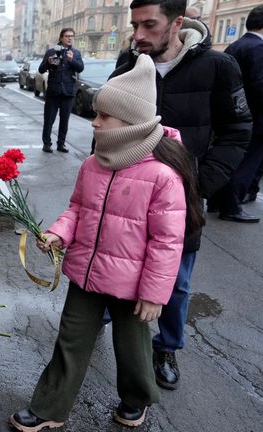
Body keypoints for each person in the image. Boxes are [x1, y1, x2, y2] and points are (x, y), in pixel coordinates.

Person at [10, 54, 204, 431]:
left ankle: (137, 398)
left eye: (103, 117)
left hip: (133, 286)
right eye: (96, 115)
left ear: (130, 123)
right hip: (86, 273)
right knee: (70, 340)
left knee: (133, 350)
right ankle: (50, 406)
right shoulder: (93, 164)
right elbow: (77, 210)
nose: (95, 122)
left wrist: (154, 293)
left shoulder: (162, 176)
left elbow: (168, 242)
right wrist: (58, 232)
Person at [110, 0, 252, 391]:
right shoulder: (127, 67)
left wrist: (198, 184)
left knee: (175, 283)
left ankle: (167, 347)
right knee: (117, 265)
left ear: (176, 23)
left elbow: (238, 130)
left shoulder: (218, 67)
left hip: (184, 202)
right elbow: (107, 129)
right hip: (127, 197)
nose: (138, 35)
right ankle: (109, 321)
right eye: (134, 25)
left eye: (149, 25)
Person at [208, 6, 263, 222]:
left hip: (228, 116)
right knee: (246, 163)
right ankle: (231, 207)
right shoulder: (258, 49)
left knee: (228, 159)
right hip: (254, 120)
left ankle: (215, 201)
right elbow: (260, 86)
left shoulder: (234, 46)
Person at [39, 28, 84, 153]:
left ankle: (61, 144)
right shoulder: (51, 52)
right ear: (61, 38)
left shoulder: (76, 53)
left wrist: (71, 60)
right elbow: (41, 69)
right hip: (53, 91)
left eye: (72, 36)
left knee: (64, 120)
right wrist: (48, 62)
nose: (70, 38)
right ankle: (47, 144)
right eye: (67, 36)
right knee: (49, 119)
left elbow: (80, 68)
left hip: (68, 92)